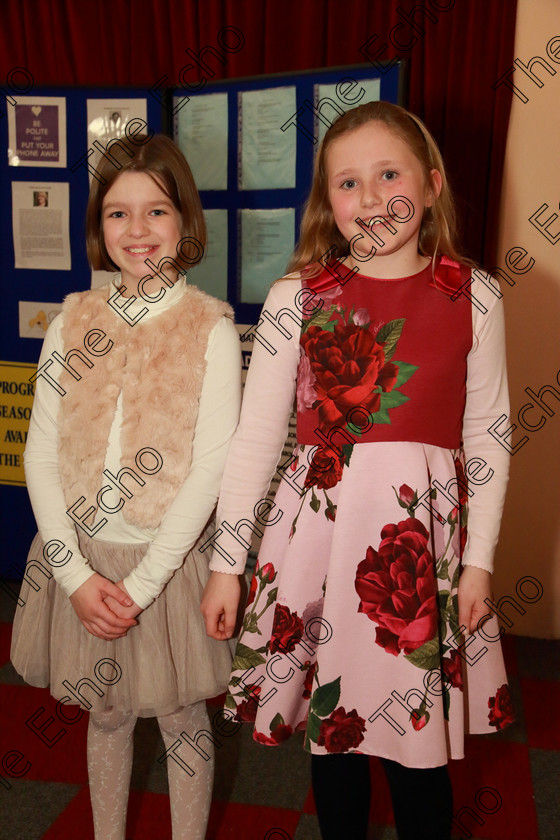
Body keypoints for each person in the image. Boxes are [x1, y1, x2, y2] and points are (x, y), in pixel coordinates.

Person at [200, 102, 513, 840]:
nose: (370, 197)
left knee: (418, 755)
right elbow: (253, 441)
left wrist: (480, 564)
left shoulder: (475, 295)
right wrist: (226, 565)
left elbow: (490, 438)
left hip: (422, 552)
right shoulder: (294, 299)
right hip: (318, 549)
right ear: (326, 202)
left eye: (389, 173)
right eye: (348, 182)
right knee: (333, 735)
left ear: (431, 184)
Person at [11, 134, 242, 840]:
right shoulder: (71, 321)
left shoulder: (211, 329)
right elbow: (39, 455)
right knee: (106, 713)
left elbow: (212, 468)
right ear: (97, 227)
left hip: (165, 567)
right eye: (118, 214)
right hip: (82, 562)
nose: (137, 231)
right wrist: (74, 574)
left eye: (157, 212)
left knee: (179, 717)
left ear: (185, 224)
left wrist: (141, 589)